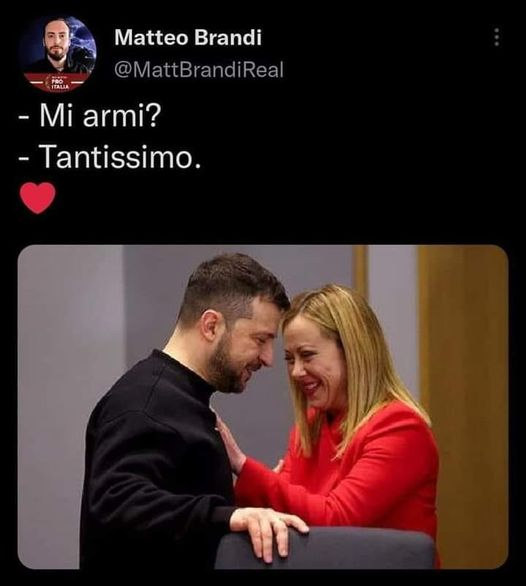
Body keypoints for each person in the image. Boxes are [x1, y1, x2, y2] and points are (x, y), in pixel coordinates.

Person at [79, 253, 309, 572]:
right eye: (260, 340)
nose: (268, 358)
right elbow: (117, 503)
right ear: (211, 325)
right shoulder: (145, 403)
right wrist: (226, 516)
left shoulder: (180, 399)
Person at [216, 284, 439, 561]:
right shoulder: (311, 426)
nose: (296, 371)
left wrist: (242, 465)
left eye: (307, 355)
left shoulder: (401, 428)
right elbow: (281, 510)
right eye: (290, 359)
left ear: (353, 351)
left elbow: (337, 519)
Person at [25, 17, 94, 74]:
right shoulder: (30, 73)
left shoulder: (83, 73)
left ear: (69, 42)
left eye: (62, 36)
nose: (56, 41)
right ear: (44, 42)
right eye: (51, 36)